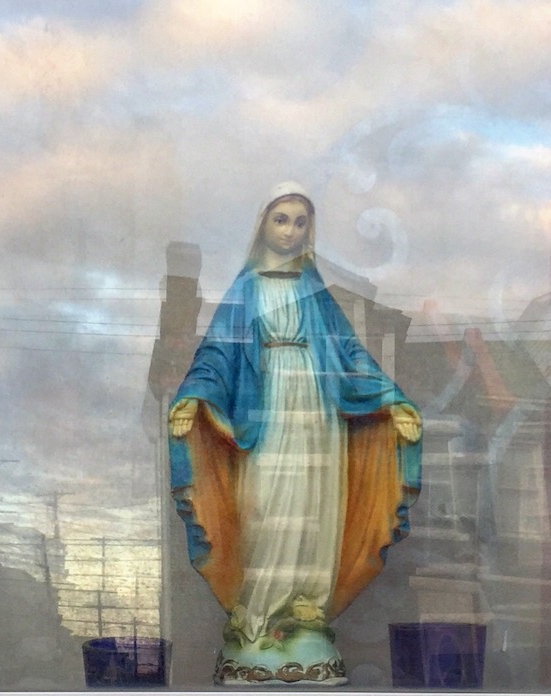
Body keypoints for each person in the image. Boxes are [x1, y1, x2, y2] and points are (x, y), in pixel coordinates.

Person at [169, 182, 422, 685]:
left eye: (300, 222)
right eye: (280, 219)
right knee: (264, 506)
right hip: (266, 408)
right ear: (263, 223)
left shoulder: (315, 293)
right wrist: (194, 397)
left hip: (316, 410)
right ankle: (255, 614)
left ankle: (306, 610)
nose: (290, 231)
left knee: (312, 507)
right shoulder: (246, 289)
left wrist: (392, 400)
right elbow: (217, 352)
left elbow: (349, 353)